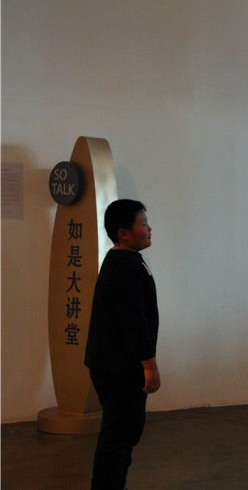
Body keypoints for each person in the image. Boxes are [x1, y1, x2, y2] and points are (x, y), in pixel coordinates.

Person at [85, 199, 160, 490]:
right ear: (124, 233)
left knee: (124, 434)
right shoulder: (124, 267)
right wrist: (149, 365)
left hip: (117, 366)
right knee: (118, 436)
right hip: (119, 369)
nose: (149, 229)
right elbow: (133, 321)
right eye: (143, 224)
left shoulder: (126, 261)